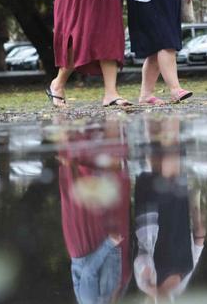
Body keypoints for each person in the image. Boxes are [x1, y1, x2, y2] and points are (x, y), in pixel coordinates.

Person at [58, 121, 132, 304]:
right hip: (109, 242)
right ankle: (110, 116)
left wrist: (109, 244)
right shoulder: (114, 298)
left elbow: (89, 273)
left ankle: (62, 112)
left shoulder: (90, 302)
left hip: (87, 244)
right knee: (112, 178)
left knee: (79, 175)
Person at [134, 117, 205, 301]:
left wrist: (154, 294)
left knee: (157, 152)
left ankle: (157, 110)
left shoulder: (147, 284)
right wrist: (196, 215)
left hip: (154, 213)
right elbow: (198, 244)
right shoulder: (181, 287)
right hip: (177, 211)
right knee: (168, 151)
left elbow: (141, 261)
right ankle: (167, 111)